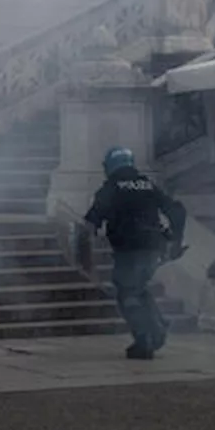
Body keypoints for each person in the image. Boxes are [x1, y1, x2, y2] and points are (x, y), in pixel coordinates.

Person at [84, 147, 187, 360]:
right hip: (153, 247)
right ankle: (157, 326)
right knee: (138, 288)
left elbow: (91, 221)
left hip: (129, 249)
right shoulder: (147, 184)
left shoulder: (111, 187)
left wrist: (86, 245)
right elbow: (177, 210)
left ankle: (145, 339)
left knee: (127, 294)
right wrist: (176, 241)